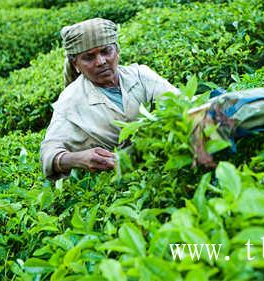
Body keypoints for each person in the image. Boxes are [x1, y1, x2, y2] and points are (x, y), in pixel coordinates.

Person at [40, 18, 179, 179]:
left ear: (117, 50)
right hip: (121, 178)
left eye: (106, 51)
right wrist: (78, 158)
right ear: (75, 64)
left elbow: (181, 104)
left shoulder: (141, 76)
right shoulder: (71, 101)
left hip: (163, 161)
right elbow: (48, 152)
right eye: (89, 57)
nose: (101, 61)